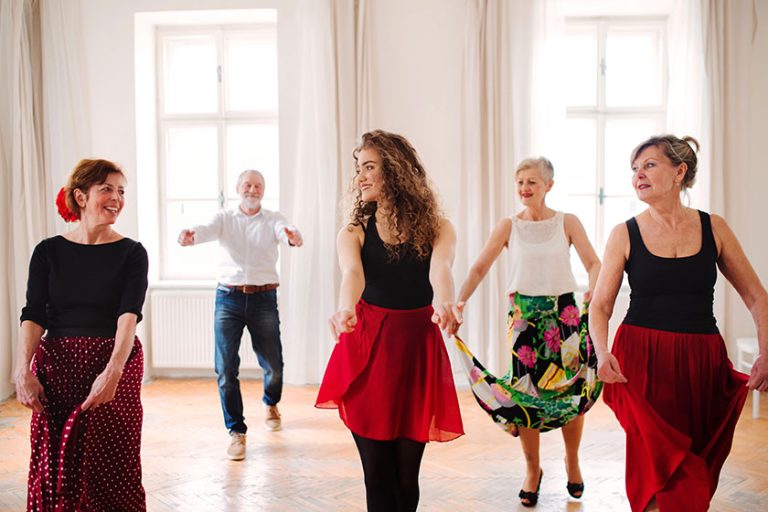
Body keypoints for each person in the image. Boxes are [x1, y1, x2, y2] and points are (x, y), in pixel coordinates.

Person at [589, 135, 768, 511]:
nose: (639, 174)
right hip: (641, 363)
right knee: (658, 470)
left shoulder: (713, 228)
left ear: (679, 172)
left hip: (701, 362)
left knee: (695, 466)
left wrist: (766, 353)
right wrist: (602, 353)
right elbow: (601, 306)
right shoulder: (624, 233)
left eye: (649, 165)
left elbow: (756, 296)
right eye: (634, 169)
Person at [315, 130, 464, 512]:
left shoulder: (438, 228)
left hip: (416, 351)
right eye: (358, 168)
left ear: (396, 172)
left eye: (370, 167)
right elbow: (352, 275)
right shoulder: (353, 232)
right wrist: (345, 307)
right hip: (369, 350)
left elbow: (440, 270)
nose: (360, 177)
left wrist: (446, 302)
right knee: (377, 474)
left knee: (406, 477)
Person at [452, 156, 603, 507]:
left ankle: (573, 461)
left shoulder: (568, 222)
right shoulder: (509, 225)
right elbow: (478, 267)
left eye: (532, 181)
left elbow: (594, 263)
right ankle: (532, 469)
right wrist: (458, 302)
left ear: (549, 185)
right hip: (522, 317)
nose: (524, 188)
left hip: (563, 316)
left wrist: (594, 290)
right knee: (525, 395)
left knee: (569, 392)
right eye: (520, 181)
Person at [14, 159, 148, 511]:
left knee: (113, 460)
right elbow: (34, 314)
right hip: (58, 364)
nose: (116, 198)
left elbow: (128, 316)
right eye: (107, 188)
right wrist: (21, 370)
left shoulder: (132, 253)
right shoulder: (47, 252)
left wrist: (113, 371)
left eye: (121, 191)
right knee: (56, 460)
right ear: (81, 196)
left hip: (114, 360)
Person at [177, 169, 302, 461]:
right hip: (228, 299)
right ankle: (237, 432)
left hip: (264, 298)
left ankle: (271, 402)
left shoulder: (272, 218)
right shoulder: (224, 218)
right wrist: (190, 236)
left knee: (274, 362)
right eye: (248, 184)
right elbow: (204, 229)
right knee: (225, 368)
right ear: (238, 188)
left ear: (263, 190)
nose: (253, 189)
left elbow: (286, 231)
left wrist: (292, 236)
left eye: (258, 185)